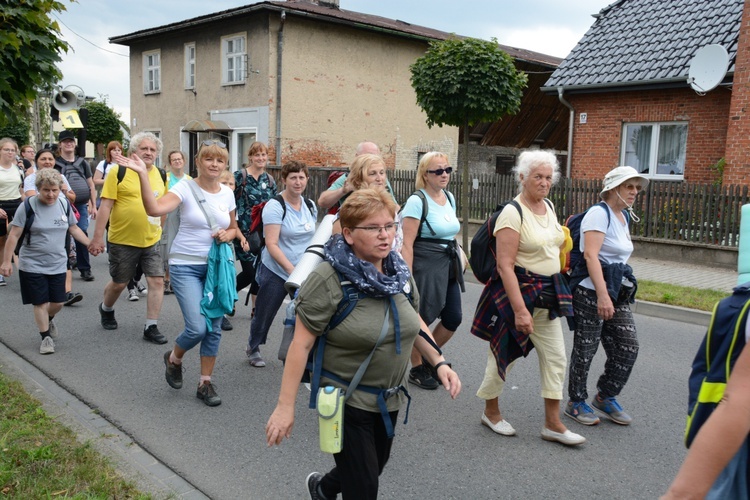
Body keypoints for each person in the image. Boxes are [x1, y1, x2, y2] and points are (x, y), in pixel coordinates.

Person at [265, 188, 461, 499]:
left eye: (389, 226)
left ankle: (323, 488)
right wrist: (284, 407)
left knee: (373, 467)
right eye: (372, 228)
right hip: (345, 400)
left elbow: (413, 321)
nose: (384, 235)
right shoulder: (329, 279)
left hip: (390, 398)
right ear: (349, 234)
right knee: (365, 488)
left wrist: (439, 362)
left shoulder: (399, 272)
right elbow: (299, 346)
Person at [117, 139, 243, 407]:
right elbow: (154, 209)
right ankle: (174, 358)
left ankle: (205, 383)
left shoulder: (227, 193)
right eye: (209, 159)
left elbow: (233, 228)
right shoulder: (184, 187)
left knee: (214, 329)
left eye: (220, 160)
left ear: (225, 164)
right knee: (197, 327)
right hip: (185, 265)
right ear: (198, 161)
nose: (214, 164)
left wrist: (227, 234)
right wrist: (141, 174)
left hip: (217, 267)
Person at [472, 150, 585, 446]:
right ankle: (491, 412)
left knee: (556, 358)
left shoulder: (548, 206)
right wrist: (520, 311)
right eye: (538, 177)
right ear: (522, 177)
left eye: (548, 177)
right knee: (503, 357)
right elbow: (504, 265)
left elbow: (553, 247)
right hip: (518, 298)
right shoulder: (512, 212)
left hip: (547, 297)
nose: (544, 183)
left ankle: (553, 423)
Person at [565, 166, 647, 426]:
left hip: (615, 291)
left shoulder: (623, 217)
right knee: (586, 348)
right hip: (591, 290)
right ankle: (576, 402)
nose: (634, 192)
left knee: (628, 346)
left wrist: (611, 293)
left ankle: (605, 396)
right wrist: (602, 295)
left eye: (637, 187)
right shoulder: (599, 215)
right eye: (629, 187)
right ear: (613, 188)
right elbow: (591, 255)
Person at [0, 169, 94, 354]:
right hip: (32, 263)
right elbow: (14, 235)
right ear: (38, 189)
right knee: (40, 302)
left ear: (60, 189)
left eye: (54, 190)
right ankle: (45, 338)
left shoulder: (63, 204)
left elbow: (73, 229)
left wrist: (90, 244)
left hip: (58, 262)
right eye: (46, 190)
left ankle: (49, 319)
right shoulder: (28, 206)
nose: (50, 194)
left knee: (58, 302)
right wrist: (5, 262)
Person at [89, 132, 168, 344]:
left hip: (151, 240)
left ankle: (151, 326)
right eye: (144, 149)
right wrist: (97, 239)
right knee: (120, 282)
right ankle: (106, 308)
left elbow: (161, 207)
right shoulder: (119, 171)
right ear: (134, 152)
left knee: (156, 281)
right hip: (122, 240)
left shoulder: (161, 174)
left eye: (152, 149)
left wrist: (161, 230)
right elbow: (105, 205)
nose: (149, 153)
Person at [400, 152, 464, 390]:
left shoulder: (449, 197)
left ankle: (430, 359)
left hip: (447, 263)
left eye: (447, 169)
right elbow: (407, 243)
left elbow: (449, 231)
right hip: (424, 264)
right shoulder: (417, 201)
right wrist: (407, 277)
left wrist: (459, 252)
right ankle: (417, 369)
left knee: (453, 317)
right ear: (425, 175)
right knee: (423, 316)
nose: (444, 174)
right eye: (438, 171)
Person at [246, 160, 318, 367]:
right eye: (293, 177)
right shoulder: (275, 206)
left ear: (307, 179)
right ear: (284, 179)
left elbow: (312, 241)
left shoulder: (310, 206)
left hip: (303, 270)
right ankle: (253, 346)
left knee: (308, 312)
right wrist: (291, 270)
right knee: (264, 313)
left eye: (301, 177)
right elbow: (271, 244)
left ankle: (300, 350)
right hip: (277, 269)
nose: (297, 182)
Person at [24, 149, 82, 307]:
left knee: (65, 256)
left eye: (50, 159)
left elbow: (72, 196)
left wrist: (62, 191)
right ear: (37, 161)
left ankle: (66, 291)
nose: (47, 162)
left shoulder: (61, 177)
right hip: (41, 223)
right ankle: (46, 288)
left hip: (61, 221)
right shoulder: (31, 178)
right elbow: (30, 197)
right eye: (43, 159)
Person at [233, 142, 277, 320]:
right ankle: (228, 297)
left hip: (262, 234)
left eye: (264, 155)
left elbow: (275, 206)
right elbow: (227, 201)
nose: (260, 158)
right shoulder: (239, 176)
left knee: (259, 272)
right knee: (250, 272)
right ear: (250, 157)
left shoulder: (270, 180)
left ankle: (255, 308)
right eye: (257, 155)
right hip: (242, 232)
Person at [55, 129, 97, 282]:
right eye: (65, 141)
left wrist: (93, 205)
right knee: (63, 235)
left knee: (82, 232)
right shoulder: (55, 164)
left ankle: (85, 268)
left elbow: (91, 184)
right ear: (60, 145)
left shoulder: (83, 163)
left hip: (81, 205)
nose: (69, 144)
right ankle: (63, 267)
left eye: (71, 141)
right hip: (61, 205)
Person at [317, 141, 397, 213]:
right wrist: (343, 191)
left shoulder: (382, 179)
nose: (379, 178)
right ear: (357, 156)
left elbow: (395, 207)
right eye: (372, 173)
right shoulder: (348, 179)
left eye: (375, 156)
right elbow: (322, 202)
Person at [0, 137, 24, 287]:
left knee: (20, 240)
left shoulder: (18, 169)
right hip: (1, 205)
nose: (10, 152)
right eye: (6, 149)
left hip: (16, 204)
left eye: (13, 150)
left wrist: (27, 204)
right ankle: (0, 272)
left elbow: (21, 189)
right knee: (2, 241)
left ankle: (24, 273)